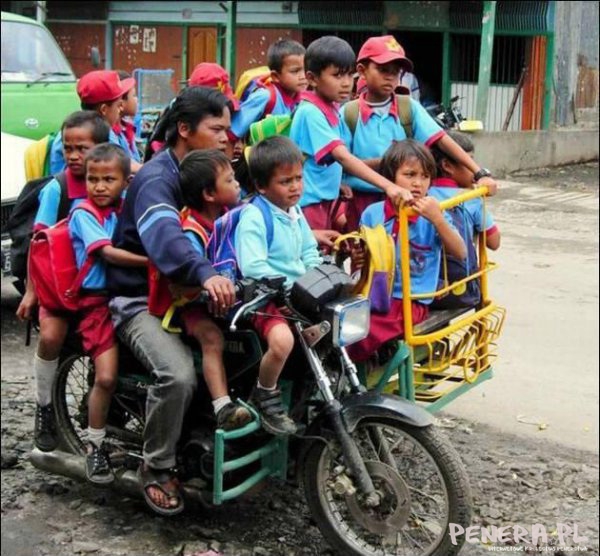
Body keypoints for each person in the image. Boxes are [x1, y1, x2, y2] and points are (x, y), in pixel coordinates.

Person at [107, 86, 236, 516]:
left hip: (186, 294)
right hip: (140, 297)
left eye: (228, 129)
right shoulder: (156, 180)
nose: (226, 137)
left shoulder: (208, 170)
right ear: (184, 130)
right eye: (216, 128)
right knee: (178, 375)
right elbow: (166, 240)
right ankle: (156, 466)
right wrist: (205, 272)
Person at [16, 111, 111, 454]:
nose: (73, 156)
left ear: (102, 148)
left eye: (81, 148)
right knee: (53, 335)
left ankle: (98, 409)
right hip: (58, 286)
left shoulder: (112, 182)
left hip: (99, 288)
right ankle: (44, 407)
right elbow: (36, 242)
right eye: (68, 148)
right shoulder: (57, 188)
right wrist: (30, 291)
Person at [343, 35, 498, 232]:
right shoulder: (348, 114)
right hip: (362, 199)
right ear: (362, 71)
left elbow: (441, 139)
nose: (390, 77)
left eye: (395, 72)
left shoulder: (408, 108)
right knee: (367, 257)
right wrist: (389, 163)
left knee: (412, 254)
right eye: (383, 70)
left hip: (406, 200)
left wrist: (479, 173)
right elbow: (343, 163)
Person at [68, 143, 147, 483]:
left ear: (125, 181)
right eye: (93, 179)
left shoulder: (124, 209)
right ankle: (94, 445)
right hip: (96, 303)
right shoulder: (83, 214)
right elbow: (109, 254)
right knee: (106, 377)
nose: (99, 187)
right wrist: (152, 262)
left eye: (108, 179)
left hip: (125, 295)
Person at [288, 36, 413, 247]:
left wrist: (340, 182)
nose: (346, 83)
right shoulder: (310, 112)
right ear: (312, 78)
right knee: (312, 270)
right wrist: (389, 186)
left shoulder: (333, 109)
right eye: (337, 75)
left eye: (349, 75)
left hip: (327, 201)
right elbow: (343, 157)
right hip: (309, 203)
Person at [348, 139, 467, 362]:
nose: (418, 184)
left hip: (410, 301)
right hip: (373, 294)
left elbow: (460, 252)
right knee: (340, 321)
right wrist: (360, 256)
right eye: (410, 175)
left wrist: (438, 220)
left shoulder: (434, 214)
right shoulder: (373, 214)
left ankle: (351, 375)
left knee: (362, 333)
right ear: (391, 177)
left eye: (425, 177)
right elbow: (362, 260)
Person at [236, 136, 322, 435]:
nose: (296, 187)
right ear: (262, 186)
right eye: (286, 181)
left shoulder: (294, 212)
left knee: (328, 332)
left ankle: (305, 394)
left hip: (295, 295)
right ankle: (265, 393)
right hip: (265, 298)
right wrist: (290, 285)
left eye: (298, 178)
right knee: (283, 341)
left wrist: (316, 277)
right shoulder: (255, 216)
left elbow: (310, 251)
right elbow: (253, 266)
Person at [176, 149, 252, 430]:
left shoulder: (229, 213)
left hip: (229, 300)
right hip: (194, 305)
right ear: (209, 194)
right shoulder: (191, 231)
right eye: (230, 181)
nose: (238, 185)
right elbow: (192, 272)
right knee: (212, 339)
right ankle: (222, 406)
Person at [429, 131, 501, 308]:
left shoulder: (423, 196)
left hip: (424, 289)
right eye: (469, 162)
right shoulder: (470, 198)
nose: (475, 170)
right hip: (460, 289)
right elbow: (494, 242)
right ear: (447, 166)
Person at [49, 70, 142, 174]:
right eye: (118, 105)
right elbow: (126, 165)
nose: (120, 110)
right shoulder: (99, 134)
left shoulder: (109, 132)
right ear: (104, 109)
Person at [230, 39, 307, 141]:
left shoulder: (304, 100)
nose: (303, 76)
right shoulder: (264, 97)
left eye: (306, 69)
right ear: (275, 76)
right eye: (295, 71)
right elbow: (233, 133)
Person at [115, 70, 141, 164]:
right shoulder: (110, 134)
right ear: (121, 103)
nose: (136, 100)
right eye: (133, 95)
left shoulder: (125, 129)